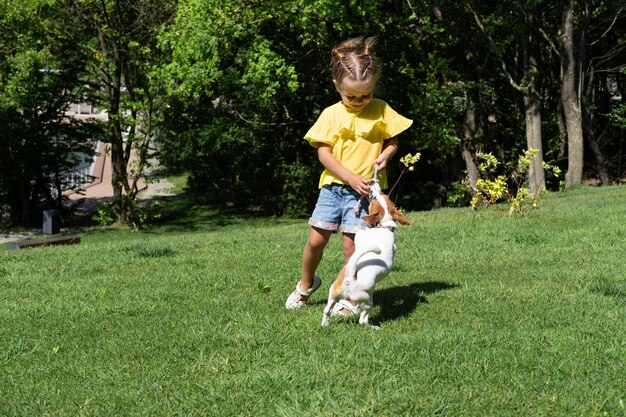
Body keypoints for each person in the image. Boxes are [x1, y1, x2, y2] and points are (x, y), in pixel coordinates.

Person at [284, 36, 413, 315]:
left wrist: (387, 154)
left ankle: (352, 298)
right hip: (333, 189)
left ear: (374, 87)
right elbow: (324, 154)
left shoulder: (380, 109)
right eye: (350, 96)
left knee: (352, 246)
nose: (358, 101)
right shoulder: (331, 114)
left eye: (364, 95)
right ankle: (306, 285)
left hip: (365, 194)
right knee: (316, 240)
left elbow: (392, 141)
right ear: (336, 86)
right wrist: (350, 176)